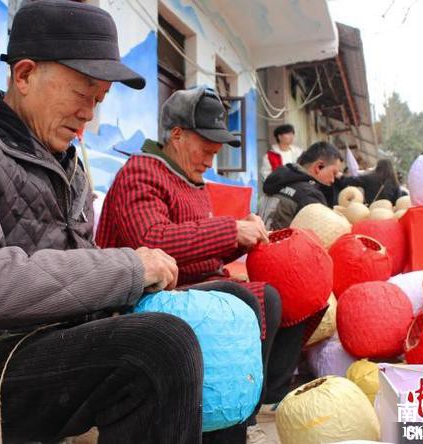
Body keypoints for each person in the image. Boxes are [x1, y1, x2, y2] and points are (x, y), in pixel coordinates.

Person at [0, 2, 225, 442]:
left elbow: (75, 278)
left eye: (99, 100)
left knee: (223, 308)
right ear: (25, 75)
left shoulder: (69, 166)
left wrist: (145, 290)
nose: (89, 114)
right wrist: (128, 268)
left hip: (46, 346)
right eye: (82, 94)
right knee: (158, 349)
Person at [96, 87, 317, 439]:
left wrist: (241, 238)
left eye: (215, 153)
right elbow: (155, 241)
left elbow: (198, 247)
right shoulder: (141, 173)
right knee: (250, 300)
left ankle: (253, 405)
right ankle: (229, 422)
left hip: (190, 287)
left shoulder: (192, 181)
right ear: (177, 135)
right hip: (144, 296)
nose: (209, 162)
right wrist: (230, 230)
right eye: (205, 150)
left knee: (291, 296)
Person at [259, 141, 343, 229]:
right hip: (287, 242)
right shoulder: (309, 195)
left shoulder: (279, 182)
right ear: (319, 166)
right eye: (333, 173)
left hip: (264, 240)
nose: (333, 180)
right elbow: (324, 234)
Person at [338, 158, 406, 205]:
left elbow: (352, 181)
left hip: (371, 212)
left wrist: (341, 176)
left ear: (378, 166)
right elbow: (398, 201)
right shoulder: (394, 183)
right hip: (388, 214)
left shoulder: (369, 178)